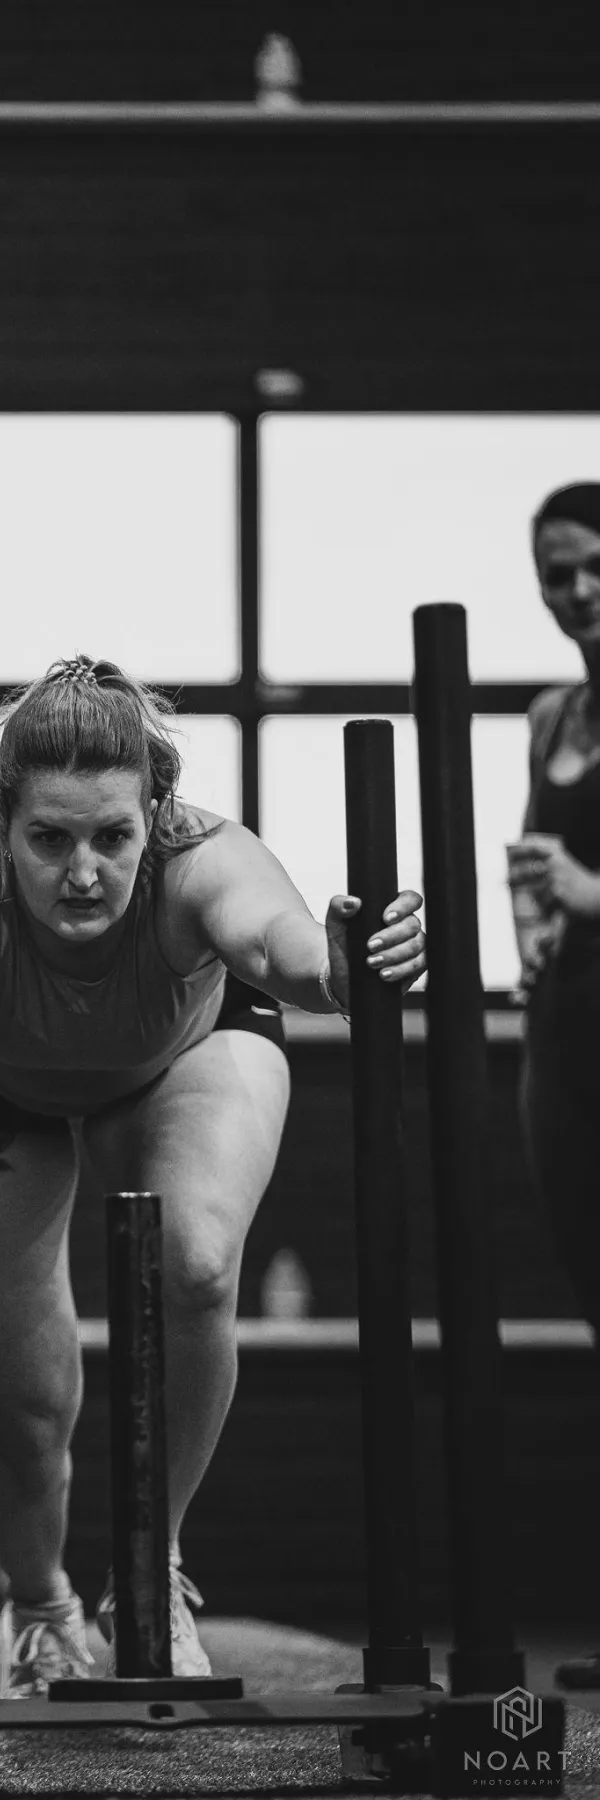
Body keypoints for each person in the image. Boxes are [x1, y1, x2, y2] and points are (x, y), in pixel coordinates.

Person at [0, 656, 425, 1699]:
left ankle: (148, 1571)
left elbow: (285, 947)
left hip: (180, 1056)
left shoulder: (203, 862)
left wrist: (340, 966)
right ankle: (40, 1606)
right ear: (3, 825)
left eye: (112, 839)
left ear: (153, 820)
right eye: (49, 840)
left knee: (196, 1262)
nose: (82, 873)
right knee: (19, 1407)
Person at [509, 484, 600, 1691]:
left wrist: (587, 889)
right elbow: (542, 870)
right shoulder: (549, 717)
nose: (577, 592)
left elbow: (579, 874)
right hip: (564, 1036)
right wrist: (535, 916)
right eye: (557, 571)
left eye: (595, 567)